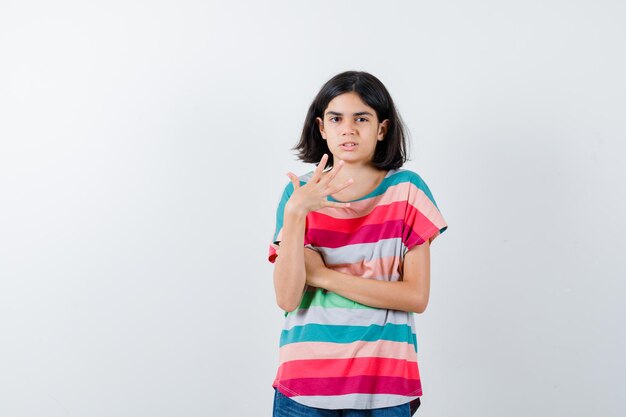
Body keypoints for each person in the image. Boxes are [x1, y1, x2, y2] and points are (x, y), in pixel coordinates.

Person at [268, 71, 448, 417]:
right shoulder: (297, 196)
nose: (348, 129)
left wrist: (322, 277)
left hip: (384, 383)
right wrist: (294, 215)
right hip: (305, 382)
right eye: (336, 119)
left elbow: (415, 297)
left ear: (382, 128)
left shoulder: (407, 191)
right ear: (322, 128)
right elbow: (287, 298)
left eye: (361, 118)